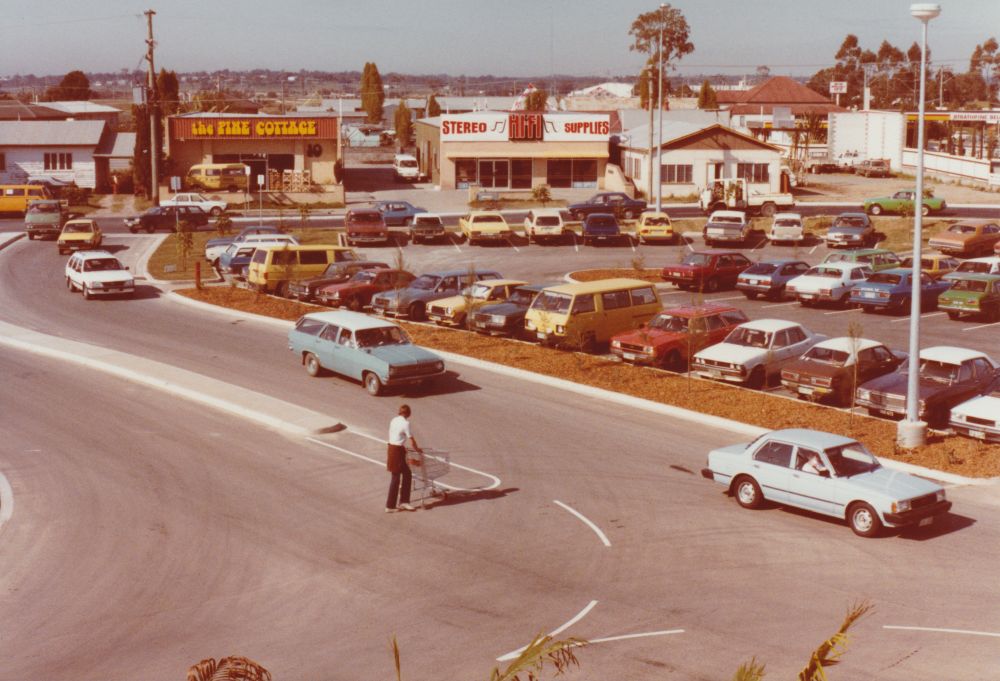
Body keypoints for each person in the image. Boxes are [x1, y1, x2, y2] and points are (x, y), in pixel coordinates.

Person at [386, 404, 422, 513]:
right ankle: (390, 506)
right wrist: (417, 450)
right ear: (408, 414)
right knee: (396, 478)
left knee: (406, 473)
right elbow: (412, 440)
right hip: (397, 451)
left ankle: (404, 501)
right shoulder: (406, 423)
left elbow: (396, 436)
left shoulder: (394, 420)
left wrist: (402, 447)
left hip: (393, 449)